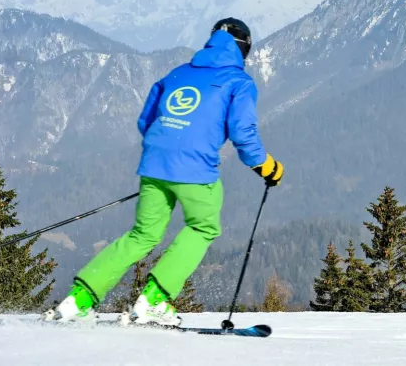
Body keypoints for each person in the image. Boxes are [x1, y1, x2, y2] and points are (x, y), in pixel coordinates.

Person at [43, 18, 285, 326]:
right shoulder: (239, 82)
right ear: (244, 49)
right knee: (203, 227)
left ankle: (79, 299)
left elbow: (147, 121)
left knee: (142, 235)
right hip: (196, 170)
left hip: (154, 165)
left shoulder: (178, 74)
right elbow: (243, 134)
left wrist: (165, 157)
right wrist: (267, 167)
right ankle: (154, 300)